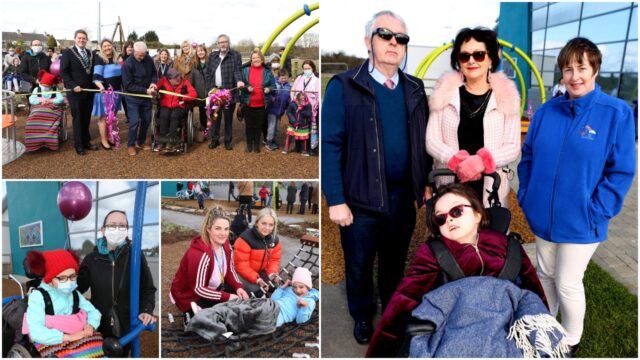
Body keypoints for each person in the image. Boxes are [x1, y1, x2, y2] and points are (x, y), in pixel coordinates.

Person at [517, 37, 636, 355]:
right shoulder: (546, 112)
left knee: (568, 281)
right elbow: (527, 157)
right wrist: (528, 197)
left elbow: (621, 170)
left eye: (581, 67)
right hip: (543, 216)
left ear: (594, 68)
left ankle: (570, 340)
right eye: (567, 69)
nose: (574, 76)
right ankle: (543, 326)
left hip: (584, 220)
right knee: (545, 274)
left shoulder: (616, 113)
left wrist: (596, 210)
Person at [321, 10, 432, 344]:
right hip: (359, 200)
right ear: (368, 41)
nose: (393, 43)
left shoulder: (414, 87)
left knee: (394, 263)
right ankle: (361, 315)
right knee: (358, 263)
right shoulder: (344, 85)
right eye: (385, 35)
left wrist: (424, 181)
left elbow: (422, 140)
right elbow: (330, 144)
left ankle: (390, 311)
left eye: (401, 38)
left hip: (401, 198)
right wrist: (336, 199)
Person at [366, 183, 547, 357]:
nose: (449, 219)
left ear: (477, 214)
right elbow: (403, 301)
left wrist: (546, 333)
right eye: (440, 218)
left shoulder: (508, 246)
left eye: (456, 211)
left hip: (505, 326)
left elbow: (534, 293)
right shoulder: (433, 253)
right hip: (457, 332)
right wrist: (380, 353)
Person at [426, 27, 520, 207]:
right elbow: (432, 139)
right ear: (458, 61)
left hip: (491, 188)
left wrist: (482, 162)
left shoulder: (506, 96)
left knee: (489, 233)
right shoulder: (444, 93)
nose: (471, 61)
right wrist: (454, 159)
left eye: (478, 55)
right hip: (450, 185)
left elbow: (513, 146)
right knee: (450, 231)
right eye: (464, 56)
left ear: (491, 58)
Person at [77, 210, 157, 355]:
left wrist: (146, 310)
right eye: (112, 225)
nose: (117, 229)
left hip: (126, 327)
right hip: (97, 326)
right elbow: (76, 287)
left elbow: (147, 288)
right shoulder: (91, 259)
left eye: (122, 226)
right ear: (103, 230)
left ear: (127, 230)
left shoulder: (135, 256)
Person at [170, 206, 249, 318]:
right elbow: (198, 289)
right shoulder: (199, 254)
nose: (223, 233)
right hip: (190, 295)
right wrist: (228, 297)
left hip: (212, 286)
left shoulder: (226, 245)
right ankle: (190, 314)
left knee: (239, 300)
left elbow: (230, 270)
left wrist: (238, 287)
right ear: (208, 229)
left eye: (226, 229)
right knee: (212, 319)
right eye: (218, 228)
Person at [23, 250, 104, 357]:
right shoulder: (38, 297)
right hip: (50, 338)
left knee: (98, 350)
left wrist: (91, 325)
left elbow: (94, 312)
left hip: (77, 335)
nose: (69, 282)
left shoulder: (74, 293)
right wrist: (68, 337)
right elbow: (36, 331)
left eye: (73, 276)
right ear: (49, 278)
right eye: (62, 278)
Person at [205, 34, 245, 150]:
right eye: (220, 42)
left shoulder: (235, 55)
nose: (223, 44)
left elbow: (237, 71)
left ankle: (228, 141)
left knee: (228, 119)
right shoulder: (212, 56)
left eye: (225, 42)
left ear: (228, 43)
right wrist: (209, 90)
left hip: (228, 92)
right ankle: (215, 140)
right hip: (215, 91)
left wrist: (239, 81)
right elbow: (208, 74)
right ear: (218, 44)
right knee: (215, 117)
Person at [60, 30, 97, 156]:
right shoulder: (68, 53)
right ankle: (79, 144)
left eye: (84, 38)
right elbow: (64, 72)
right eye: (79, 38)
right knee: (78, 118)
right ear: (75, 39)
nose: (81, 40)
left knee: (86, 117)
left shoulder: (90, 53)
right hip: (75, 92)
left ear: (86, 40)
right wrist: (73, 85)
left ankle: (86, 141)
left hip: (88, 91)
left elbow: (91, 72)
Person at [233, 208, 283, 296]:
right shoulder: (245, 239)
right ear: (257, 223)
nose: (267, 228)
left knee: (276, 287)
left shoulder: (275, 240)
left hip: (260, 273)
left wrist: (272, 274)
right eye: (263, 223)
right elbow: (241, 266)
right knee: (258, 291)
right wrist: (258, 280)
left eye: (271, 225)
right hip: (242, 274)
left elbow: (274, 261)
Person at [122, 41, 158, 156]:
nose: (142, 57)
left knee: (147, 119)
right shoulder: (127, 64)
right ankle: (130, 145)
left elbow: (154, 73)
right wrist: (145, 90)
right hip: (133, 98)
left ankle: (140, 142)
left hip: (146, 97)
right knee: (134, 121)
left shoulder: (148, 59)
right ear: (134, 52)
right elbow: (128, 85)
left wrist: (153, 83)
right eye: (140, 55)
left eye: (144, 54)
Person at [240, 48, 276, 153]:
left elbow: (273, 85)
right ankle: (249, 144)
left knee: (258, 125)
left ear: (262, 59)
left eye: (258, 57)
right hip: (248, 102)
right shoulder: (245, 70)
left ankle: (256, 145)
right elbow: (241, 85)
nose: (256, 59)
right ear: (251, 60)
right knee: (249, 125)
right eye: (254, 58)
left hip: (261, 104)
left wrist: (269, 89)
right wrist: (247, 87)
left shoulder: (268, 71)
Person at [154, 68, 197, 152]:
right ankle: (162, 141)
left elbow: (194, 94)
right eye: (175, 77)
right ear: (169, 79)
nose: (178, 78)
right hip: (165, 106)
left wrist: (183, 98)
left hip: (179, 106)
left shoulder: (185, 83)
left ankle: (171, 142)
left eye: (178, 75)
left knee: (174, 116)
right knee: (164, 116)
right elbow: (155, 89)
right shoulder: (163, 81)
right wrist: (154, 92)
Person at [92, 39, 122, 150]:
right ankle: (103, 140)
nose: (107, 48)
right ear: (101, 48)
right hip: (105, 94)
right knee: (103, 118)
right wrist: (101, 87)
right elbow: (96, 77)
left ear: (112, 46)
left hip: (117, 92)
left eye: (108, 45)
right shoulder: (99, 59)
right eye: (104, 46)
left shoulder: (116, 58)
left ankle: (110, 137)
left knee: (112, 117)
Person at [25, 70, 64, 152]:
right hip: (38, 108)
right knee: (32, 118)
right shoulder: (36, 89)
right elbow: (31, 99)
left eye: (46, 85)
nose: (44, 86)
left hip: (52, 110)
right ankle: (33, 143)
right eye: (43, 85)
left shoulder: (55, 89)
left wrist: (51, 101)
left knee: (47, 116)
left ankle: (49, 141)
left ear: (50, 85)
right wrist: (40, 101)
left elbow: (61, 99)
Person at [291, 60, 320, 154]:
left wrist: (315, 107)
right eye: (304, 68)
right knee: (298, 125)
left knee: (309, 127)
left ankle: (310, 147)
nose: (306, 70)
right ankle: (298, 146)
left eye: (308, 68)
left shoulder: (316, 80)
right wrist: (293, 101)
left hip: (310, 107)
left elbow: (318, 95)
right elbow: (293, 90)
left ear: (313, 68)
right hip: (298, 106)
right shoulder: (299, 78)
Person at [265, 69, 291, 151]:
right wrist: (271, 98)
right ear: (278, 77)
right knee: (272, 126)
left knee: (277, 127)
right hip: (272, 109)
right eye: (282, 78)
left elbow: (288, 98)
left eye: (285, 78)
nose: (284, 80)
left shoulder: (288, 86)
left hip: (280, 110)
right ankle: (269, 141)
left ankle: (273, 140)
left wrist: (288, 106)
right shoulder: (274, 84)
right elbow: (268, 93)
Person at [190, 44, 209, 132]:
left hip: (209, 92)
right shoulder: (194, 65)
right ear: (196, 53)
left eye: (202, 50)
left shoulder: (211, 63)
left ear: (205, 51)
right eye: (198, 51)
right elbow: (192, 80)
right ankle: (203, 128)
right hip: (199, 93)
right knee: (202, 111)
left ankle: (210, 130)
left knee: (211, 112)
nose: (200, 52)